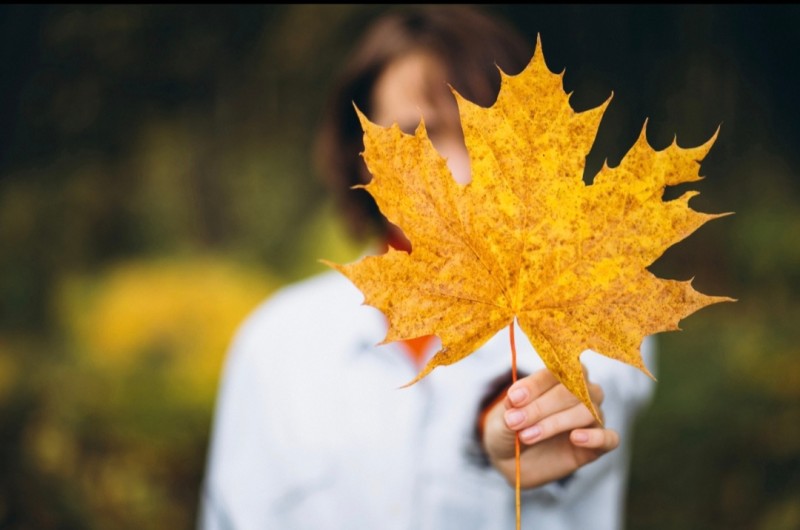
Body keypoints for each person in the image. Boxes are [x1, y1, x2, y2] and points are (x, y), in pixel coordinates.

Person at [198, 5, 656, 530]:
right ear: (362, 157)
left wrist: (503, 425)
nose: (460, 168)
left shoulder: (599, 309)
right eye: (422, 134)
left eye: (485, 135)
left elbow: (582, 389)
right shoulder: (277, 343)